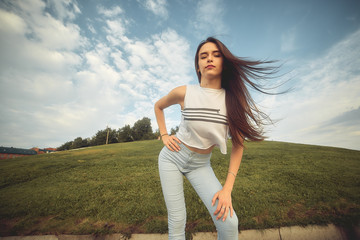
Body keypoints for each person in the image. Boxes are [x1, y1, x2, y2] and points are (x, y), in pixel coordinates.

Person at [154, 37, 277, 240]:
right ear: (198, 65)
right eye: (204, 56)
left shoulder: (233, 101)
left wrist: (227, 189)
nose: (209, 58)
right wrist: (164, 134)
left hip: (201, 165)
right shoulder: (184, 92)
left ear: (224, 62)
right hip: (172, 158)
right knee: (177, 220)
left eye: (216, 55)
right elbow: (158, 106)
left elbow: (238, 145)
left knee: (229, 223)